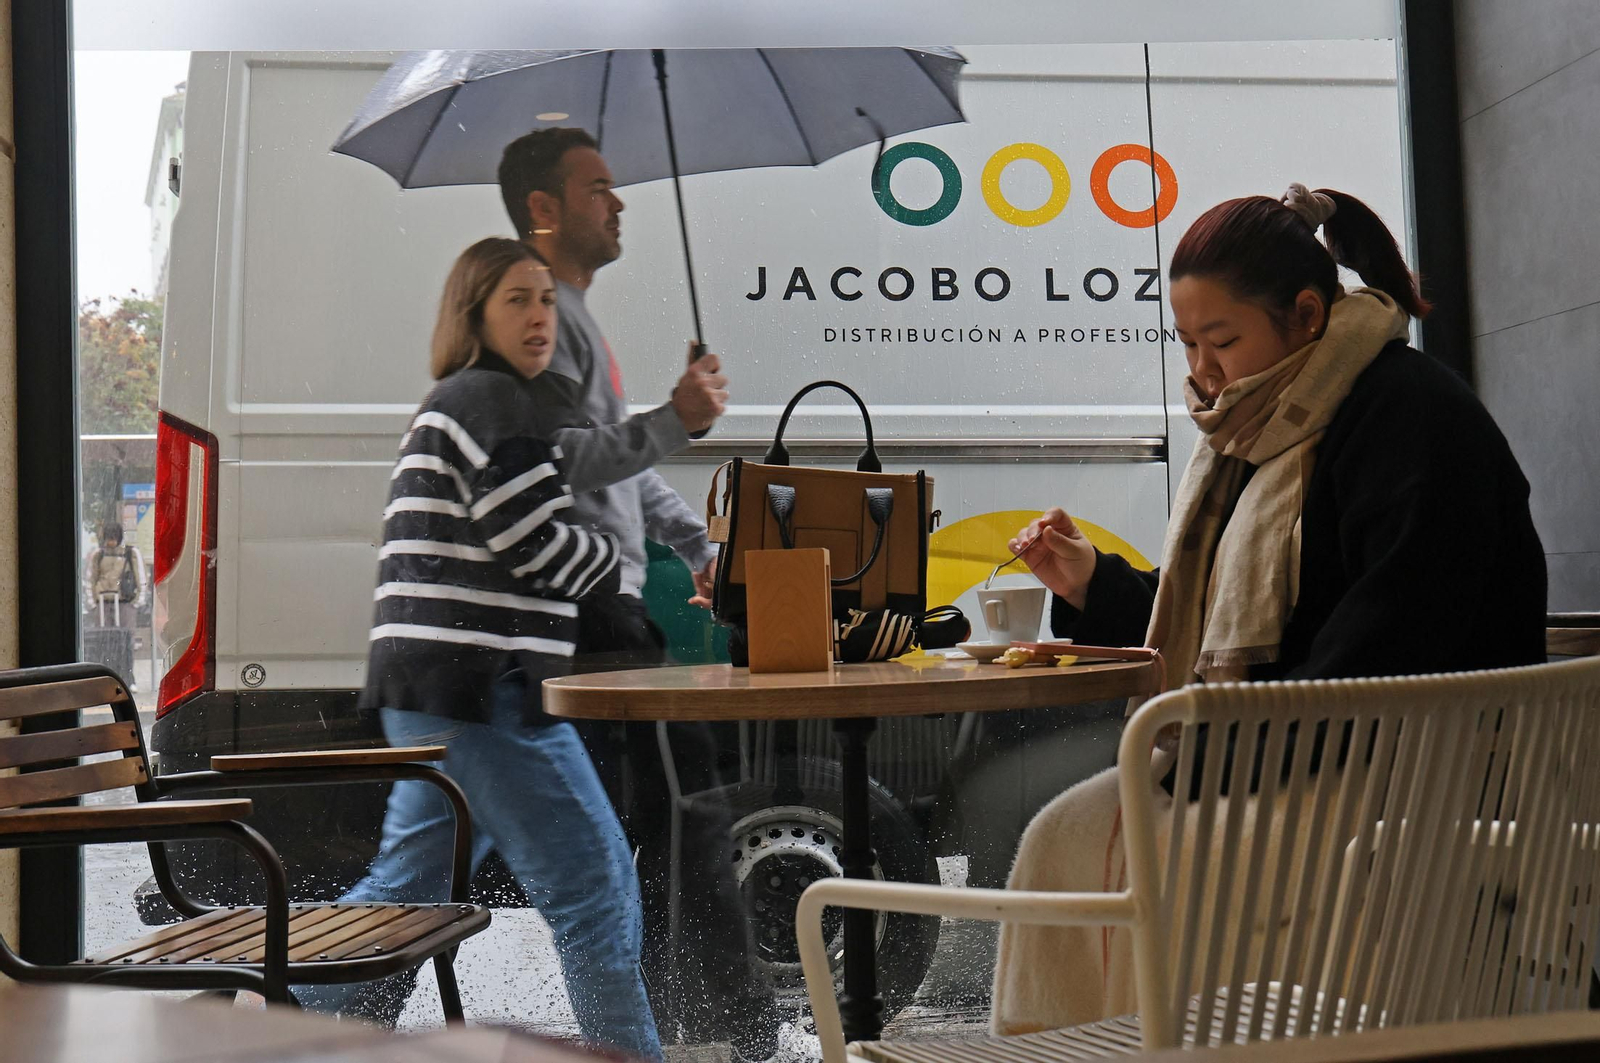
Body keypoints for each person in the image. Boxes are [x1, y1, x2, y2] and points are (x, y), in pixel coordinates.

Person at [989, 184, 1547, 1035]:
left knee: (1105, 841)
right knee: (1066, 833)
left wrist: (1215, 753)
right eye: (1187, 343)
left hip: (1411, 777)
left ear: (1308, 314)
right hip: (1314, 752)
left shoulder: (1413, 419)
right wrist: (1093, 582)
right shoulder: (1271, 427)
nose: (1203, 371)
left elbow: (1386, 647)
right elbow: (1241, 625)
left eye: (1222, 340)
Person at [299, 237, 661, 1061]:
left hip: (435, 688)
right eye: (517, 300)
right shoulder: (493, 403)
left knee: (403, 896)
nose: (541, 315)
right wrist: (623, 564)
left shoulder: (468, 401)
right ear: (474, 314)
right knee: (595, 890)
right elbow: (533, 541)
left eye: (545, 299)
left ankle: (262, 1028)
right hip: (482, 690)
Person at [498, 127, 781, 1056]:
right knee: (678, 811)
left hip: (605, 609)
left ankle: (699, 1025)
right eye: (597, 189)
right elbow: (570, 459)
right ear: (544, 210)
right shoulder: (544, 321)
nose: (618, 205)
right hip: (588, 613)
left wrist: (700, 542)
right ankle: (723, 1028)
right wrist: (676, 417)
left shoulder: (574, 317)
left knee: (655, 822)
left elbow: (619, 472)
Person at [84, 521, 145, 689]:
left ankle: (128, 678)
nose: (110, 542)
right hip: (103, 604)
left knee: (126, 642)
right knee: (103, 643)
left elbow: (140, 577)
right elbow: (90, 578)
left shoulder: (130, 553)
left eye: (113, 538)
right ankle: (105, 677)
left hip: (124, 603)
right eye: (108, 538)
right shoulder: (99, 555)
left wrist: (136, 602)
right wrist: (92, 603)